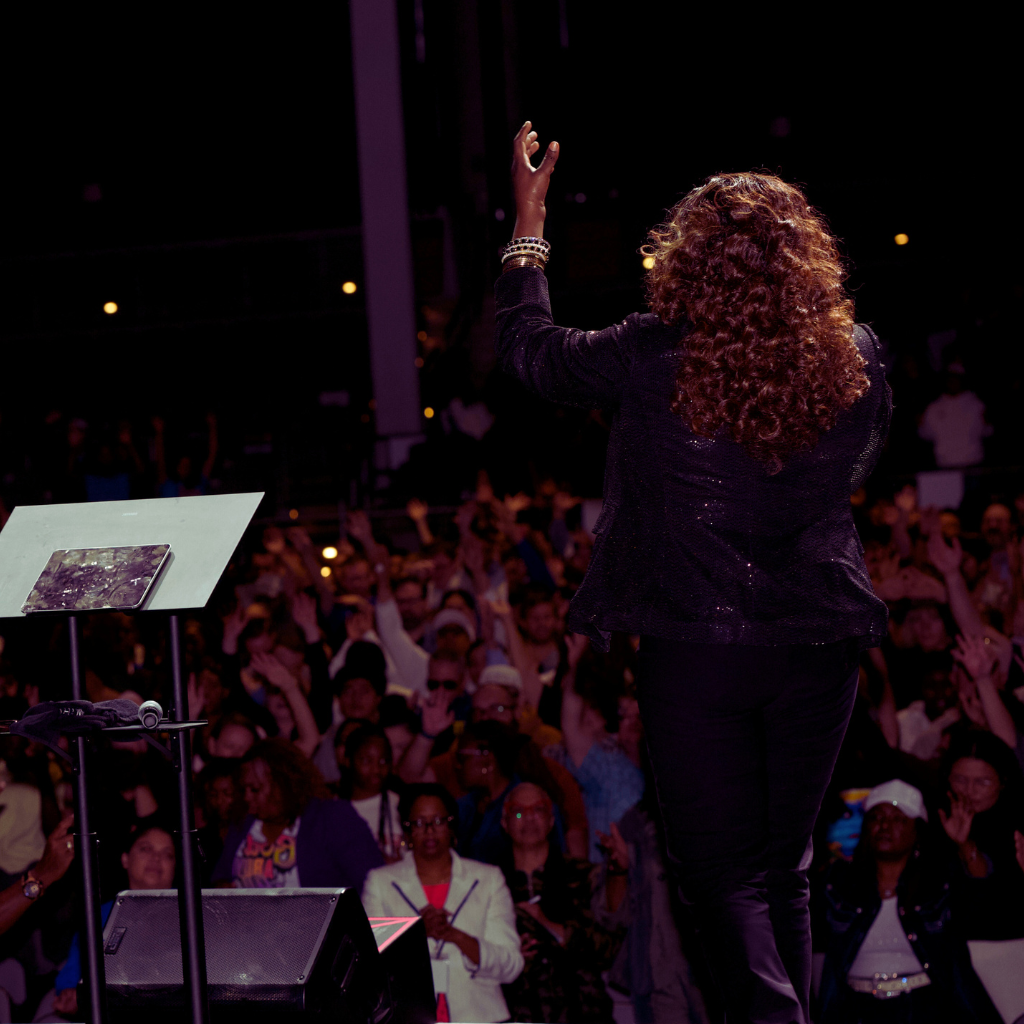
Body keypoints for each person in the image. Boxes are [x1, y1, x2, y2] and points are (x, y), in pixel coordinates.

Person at [496, 123, 891, 1023]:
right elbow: (858, 465)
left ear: (690, 259)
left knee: (724, 876)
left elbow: (531, 354)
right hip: (818, 647)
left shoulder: (651, 352)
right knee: (782, 870)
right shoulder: (858, 354)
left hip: (699, 648)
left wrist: (528, 227)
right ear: (804, 260)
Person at [817, 780, 1000, 1022]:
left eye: (898, 819)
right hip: (855, 1009)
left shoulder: (938, 882)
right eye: (876, 817)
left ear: (917, 831)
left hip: (923, 1007)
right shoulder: (839, 882)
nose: (884, 825)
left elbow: (985, 899)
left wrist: (963, 845)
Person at [361, 784, 523, 1024]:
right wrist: (416, 934)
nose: (429, 830)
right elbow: (369, 967)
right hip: (409, 1017)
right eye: (419, 823)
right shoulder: (380, 883)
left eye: (438, 821)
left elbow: (511, 965)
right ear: (407, 829)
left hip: (480, 1016)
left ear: (452, 826)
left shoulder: (488, 879)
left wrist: (457, 937)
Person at [499, 782, 622, 1023]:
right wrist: (508, 955)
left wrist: (553, 928)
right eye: (519, 812)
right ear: (505, 822)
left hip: (583, 1011)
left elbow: (609, 948)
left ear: (551, 820)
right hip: (516, 1012)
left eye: (538, 810)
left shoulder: (583, 875)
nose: (529, 818)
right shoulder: (489, 881)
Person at [46, 823, 177, 1021]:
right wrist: (72, 995)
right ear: (125, 859)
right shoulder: (99, 917)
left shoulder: (195, 915)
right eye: (146, 849)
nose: (156, 858)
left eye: (167, 854)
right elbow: (74, 974)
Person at [212, 738, 383, 889]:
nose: (247, 797)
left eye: (255, 789)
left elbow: (372, 881)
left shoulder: (331, 818)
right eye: (244, 789)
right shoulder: (244, 822)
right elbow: (220, 876)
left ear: (283, 785)